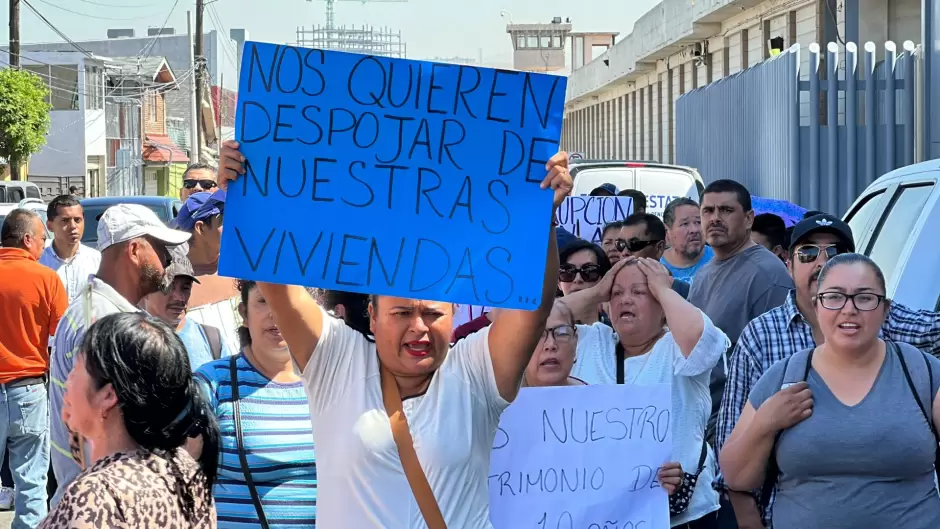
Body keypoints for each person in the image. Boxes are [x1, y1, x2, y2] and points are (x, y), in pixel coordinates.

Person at [218, 139, 571, 527]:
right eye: (401, 312)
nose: (418, 328)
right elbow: (275, 277)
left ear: (453, 314)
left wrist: (542, 218)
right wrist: (245, 192)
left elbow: (532, 311)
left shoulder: (474, 373)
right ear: (371, 316)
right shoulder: (338, 360)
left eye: (432, 314)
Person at [715, 213, 940, 529]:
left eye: (863, 297)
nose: (849, 309)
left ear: (886, 309)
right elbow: (734, 470)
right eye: (834, 297)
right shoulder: (776, 364)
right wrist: (766, 422)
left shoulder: (922, 372)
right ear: (818, 305)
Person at [562, 257, 729, 528]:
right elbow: (537, 323)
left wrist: (663, 289)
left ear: (664, 308)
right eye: (617, 293)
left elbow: (705, 340)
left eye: (640, 292)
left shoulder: (675, 346)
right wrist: (596, 292)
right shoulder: (593, 341)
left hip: (681, 517)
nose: (625, 300)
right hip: (606, 515)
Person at [49, 204, 191, 505]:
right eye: (161, 249)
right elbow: (96, 428)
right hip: (102, 508)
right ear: (135, 249)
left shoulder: (102, 310)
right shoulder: (101, 321)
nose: (167, 261)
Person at [40, 312, 219, 529]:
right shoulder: (186, 473)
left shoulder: (94, 497)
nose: (67, 381)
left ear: (108, 396)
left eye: (76, 369)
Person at [196, 280, 318, 528]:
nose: (276, 312)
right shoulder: (213, 383)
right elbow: (178, 474)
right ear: (244, 313)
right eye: (263, 301)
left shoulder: (331, 381)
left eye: (289, 299)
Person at [0, 209, 68, 528]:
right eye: (43, 239)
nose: (44, 246)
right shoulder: (46, 278)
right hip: (28, 391)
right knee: (31, 486)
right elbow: (66, 335)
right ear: (27, 240)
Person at [140, 249, 235, 370]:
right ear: (146, 291)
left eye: (185, 288)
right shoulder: (131, 342)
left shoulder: (213, 340)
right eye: (168, 286)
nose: (179, 297)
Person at [39, 195, 102, 302]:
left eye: (77, 220)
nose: (73, 226)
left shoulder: (97, 260)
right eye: (65, 221)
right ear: (50, 225)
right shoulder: (40, 262)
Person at [618, 213, 691, 298]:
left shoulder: (685, 294)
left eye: (634, 244)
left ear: (659, 248)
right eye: (620, 244)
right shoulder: (607, 294)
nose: (624, 252)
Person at [521, 300, 586, 387]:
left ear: (575, 342)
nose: (550, 345)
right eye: (537, 334)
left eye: (561, 333)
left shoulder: (595, 397)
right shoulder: (501, 399)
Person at [558, 240, 612, 324]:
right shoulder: (540, 331)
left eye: (589, 271)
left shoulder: (617, 331)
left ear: (604, 279)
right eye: (568, 272)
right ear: (558, 283)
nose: (578, 279)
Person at [661, 198, 713, 284]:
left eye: (698, 222)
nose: (694, 230)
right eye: (684, 224)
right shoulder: (656, 267)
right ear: (667, 230)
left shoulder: (720, 260)